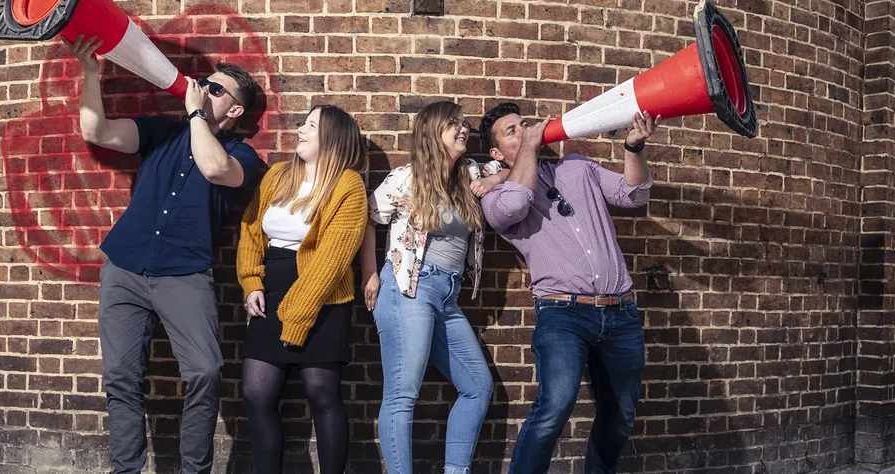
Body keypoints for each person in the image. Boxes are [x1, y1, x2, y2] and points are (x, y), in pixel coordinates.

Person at [63, 34, 264, 474]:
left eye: (215, 89)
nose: (202, 89)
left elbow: (214, 168)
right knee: (120, 377)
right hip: (125, 267)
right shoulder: (161, 131)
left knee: (205, 371)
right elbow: (96, 132)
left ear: (235, 111)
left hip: (183, 275)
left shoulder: (243, 155)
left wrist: (196, 114)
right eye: (203, 83)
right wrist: (91, 73)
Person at [477, 102, 659, 474]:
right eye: (512, 131)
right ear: (496, 153)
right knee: (554, 408)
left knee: (621, 414)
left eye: (524, 124)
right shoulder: (495, 197)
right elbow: (517, 203)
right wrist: (518, 160)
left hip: (620, 313)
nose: (524, 130)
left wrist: (634, 147)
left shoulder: (576, 166)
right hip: (563, 316)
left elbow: (633, 194)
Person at [360, 100, 508, 474]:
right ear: (432, 132)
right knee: (403, 393)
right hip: (408, 289)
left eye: (464, 123)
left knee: (478, 386)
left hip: (448, 296)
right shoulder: (405, 178)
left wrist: (492, 181)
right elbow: (368, 218)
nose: (464, 129)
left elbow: (512, 167)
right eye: (453, 124)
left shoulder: (470, 173)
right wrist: (369, 274)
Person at [236, 105, 368, 474]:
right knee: (256, 393)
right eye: (304, 123)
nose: (301, 130)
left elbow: (333, 259)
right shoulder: (278, 175)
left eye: (311, 125)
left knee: (321, 393)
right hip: (270, 290)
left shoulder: (347, 185)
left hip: (322, 297)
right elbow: (250, 230)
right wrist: (251, 282)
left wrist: (295, 316)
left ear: (333, 139)